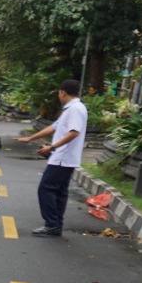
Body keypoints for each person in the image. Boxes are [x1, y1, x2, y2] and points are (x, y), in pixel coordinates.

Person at [16, 79, 87, 237]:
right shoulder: (70, 109)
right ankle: (56, 224)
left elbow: (74, 132)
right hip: (64, 158)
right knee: (59, 191)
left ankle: (52, 224)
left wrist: (53, 147)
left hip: (63, 157)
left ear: (63, 92)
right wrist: (31, 138)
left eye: (59, 93)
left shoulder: (75, 109)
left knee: (46, 188)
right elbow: (53, 127)